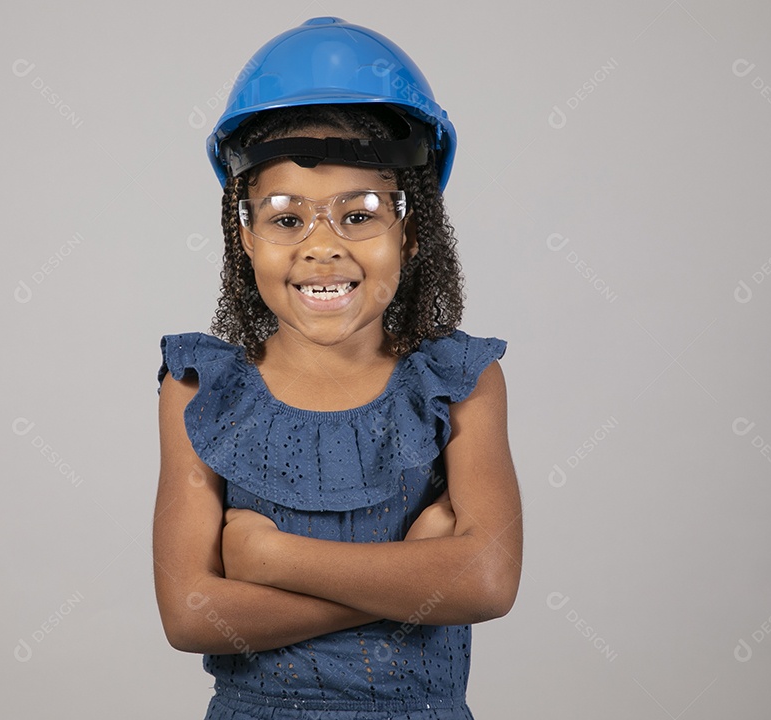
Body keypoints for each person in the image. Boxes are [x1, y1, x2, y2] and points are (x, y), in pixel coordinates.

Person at [154, 17, 523, 720]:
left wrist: (271, 560)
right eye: (287, 218)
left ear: (412, 231)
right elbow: (191, 613)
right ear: (245, 233)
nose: (322, 249)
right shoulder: (200, 389)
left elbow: (484, 579)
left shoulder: (457, 383)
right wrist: (411, 583)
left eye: (360, 215)